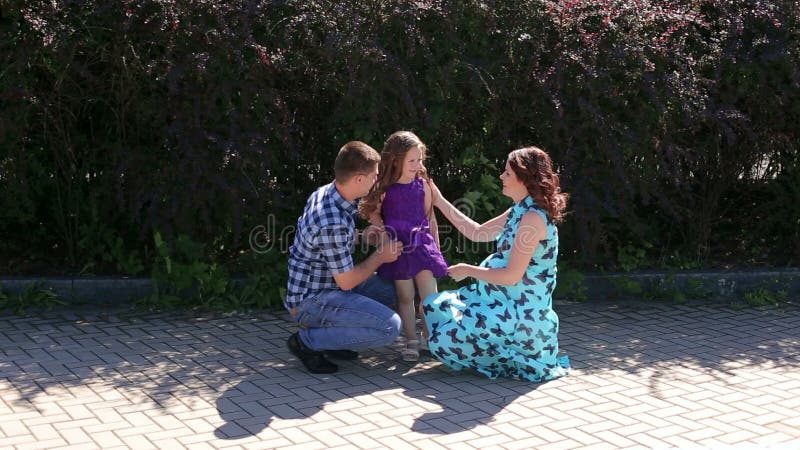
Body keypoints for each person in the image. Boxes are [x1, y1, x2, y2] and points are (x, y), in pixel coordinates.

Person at [422, 146, 571, 382]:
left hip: (520, 313)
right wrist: (438, 200)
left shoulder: (532, 219)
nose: (501, 176)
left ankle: (511, 359)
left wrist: (469, 271)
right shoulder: (519, 210)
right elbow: (477, 232)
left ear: (525, 179)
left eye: (507, 174)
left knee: (442, 340)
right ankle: (495, 354)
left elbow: (511, 276)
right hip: (496, 301)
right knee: (432, 306)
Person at [285, 141, 403, 374]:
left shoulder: (327, 193)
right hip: (311, 301)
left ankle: (334, 340)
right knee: (390, 327)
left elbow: (329, 246)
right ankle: (307, 342)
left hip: (328, 287)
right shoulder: (331, 220)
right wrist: (380, 257)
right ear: (359, 179)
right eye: (373, 176)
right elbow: (347, 281)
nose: (376, 180)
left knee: (393, 289)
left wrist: (361, 236)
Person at [359, 131, 448, 361]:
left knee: (429, 297)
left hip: (423, 246)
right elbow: (373, 213)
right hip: (398, 249)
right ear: (395, 160)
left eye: (420, 160)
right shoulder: (385, 187)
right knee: (405, 296)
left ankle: (431, 337)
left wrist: (436, 247)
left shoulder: (424, 184)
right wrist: (383, 232)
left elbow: (430, 217)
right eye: (412, 161)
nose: (417, 165)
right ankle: (411, 340)